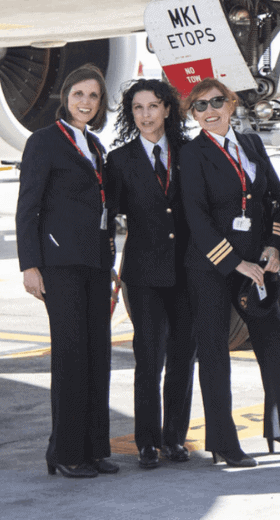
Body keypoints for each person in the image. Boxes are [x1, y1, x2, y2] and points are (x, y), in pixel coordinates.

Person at [179, 77, 280, 467]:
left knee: (273, 336)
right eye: (200, 106)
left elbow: (275, 197)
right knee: (214, 350)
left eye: (216, 102)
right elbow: (197, 217)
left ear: (231, 103)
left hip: (256, 264)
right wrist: (233, 262)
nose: (209, 111)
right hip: (210, 266)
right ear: (194, 114)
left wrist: (274, 245)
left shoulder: (252, 145)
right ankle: (223, 442)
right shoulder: (192, 155)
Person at [16, 64, 117, 478]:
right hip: (59, 264)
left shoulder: (94, 145)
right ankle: (66, 453)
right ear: (66, 96)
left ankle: (94, 448)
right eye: (79, 94)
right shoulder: (44, 141)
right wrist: (30, 265)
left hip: (93, 263)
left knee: (98, 356)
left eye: (93, 96)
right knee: (72, 357)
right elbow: (29, 207)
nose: (85, 103)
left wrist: (109, 260)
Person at [107, 79, 196, 469]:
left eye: (152, 106)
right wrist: (107, 262)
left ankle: (175, 439)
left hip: (187, 272)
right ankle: (147, 441)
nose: (145, 115)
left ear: (166, 110)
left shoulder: (189, 153)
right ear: (131, 114)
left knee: (182, 357)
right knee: (149, 357)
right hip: (143, 274)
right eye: (138, 108)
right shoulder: (120, 159)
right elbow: (107, 218)